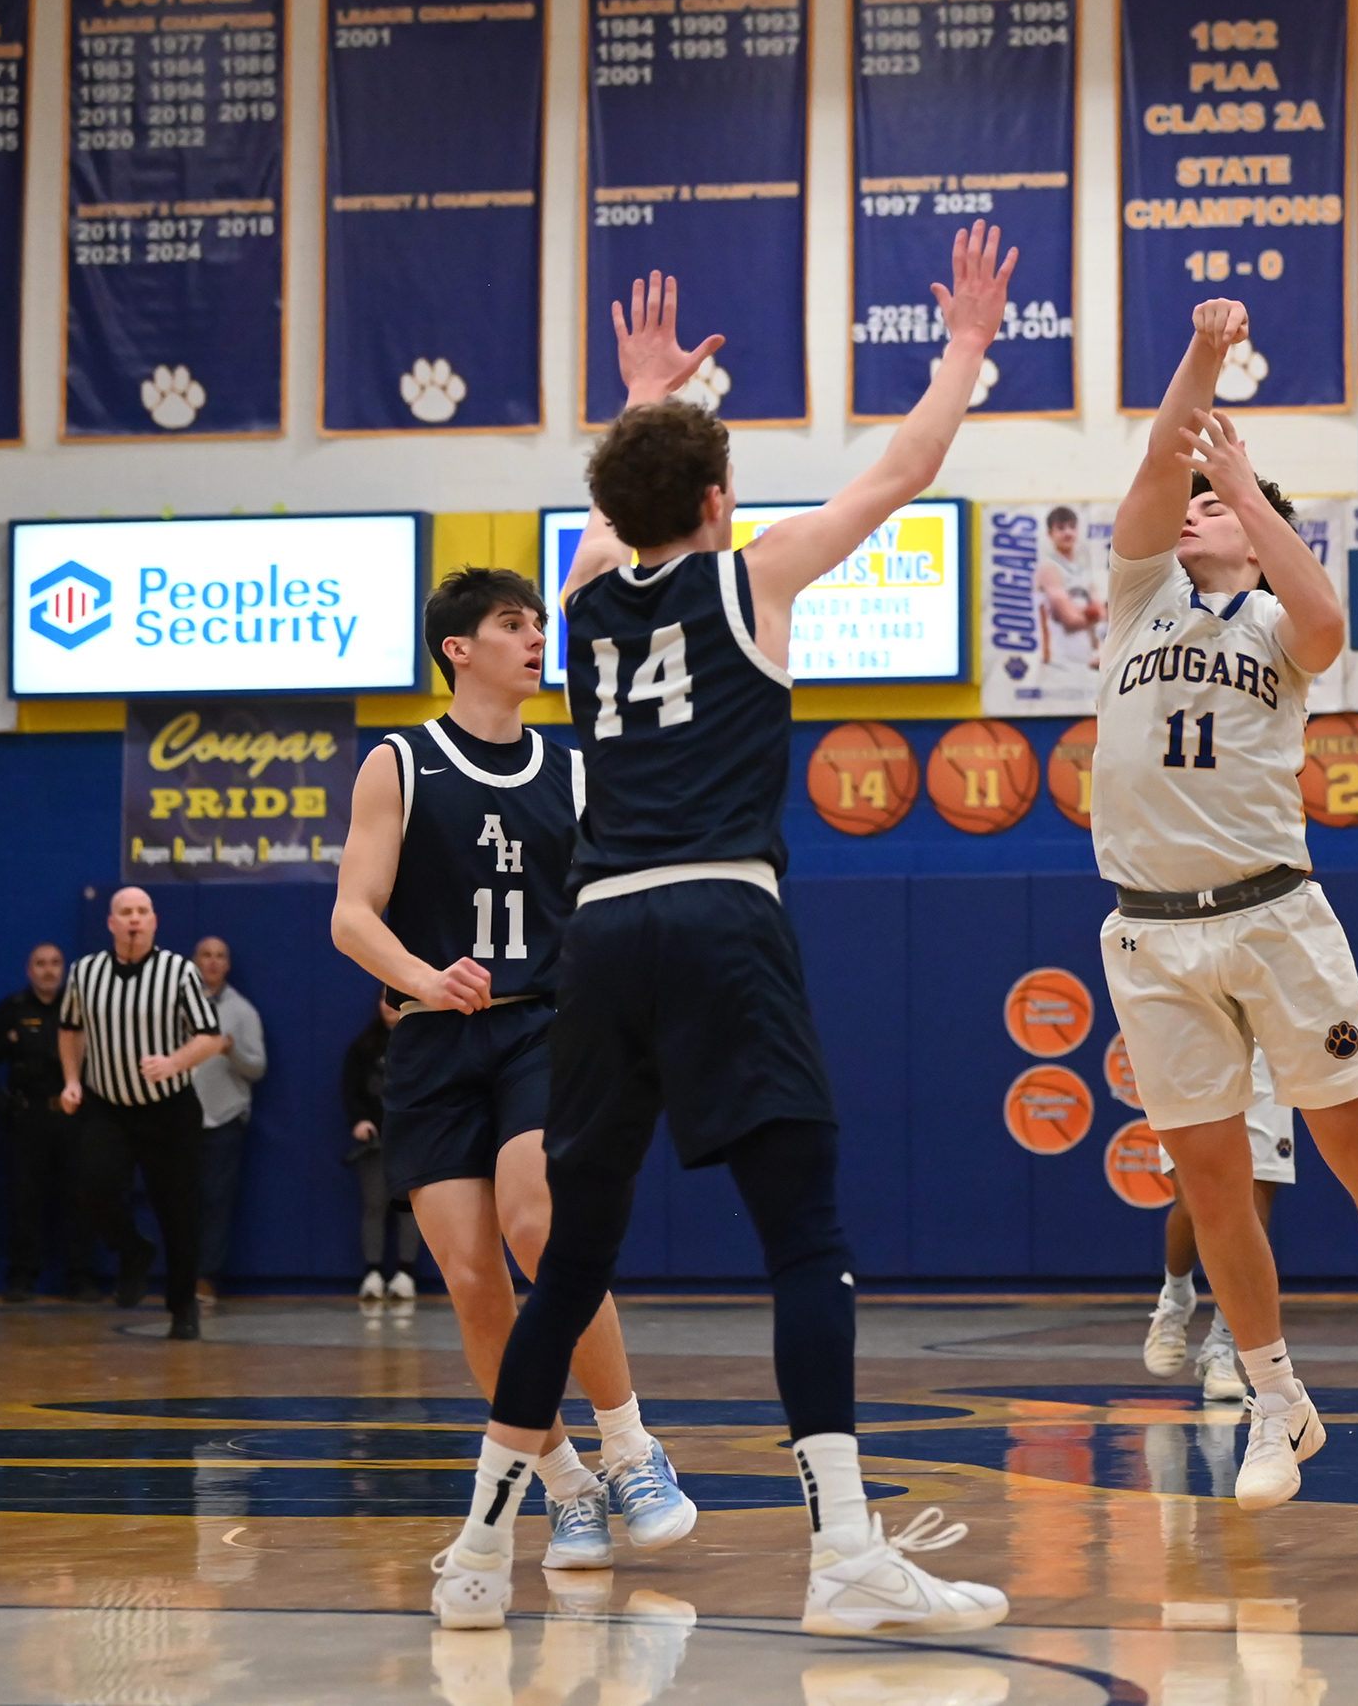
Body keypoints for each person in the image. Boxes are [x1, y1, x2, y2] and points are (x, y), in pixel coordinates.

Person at [432, 228, 1020, 1638]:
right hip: (717, 913)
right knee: (804, 1236)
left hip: (602, 938)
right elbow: (904, 467)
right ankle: (848, 1552)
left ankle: (471, 1557)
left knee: (569, 1257)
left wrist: (639, 398)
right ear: (713, 498)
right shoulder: (750, 580)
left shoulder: (574, 601)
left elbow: (606, 503)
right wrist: (965, 344)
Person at [1096, 295, 1358, 1514]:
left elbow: (1326, 624)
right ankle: (1275, 1392)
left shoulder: (1278, 615)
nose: (1202, 504)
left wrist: (1252, 491)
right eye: (1199, 497)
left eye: (1223, 498)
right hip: (1150, 927)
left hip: (1272, 911)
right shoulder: (1135, 596)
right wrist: (1206, 358)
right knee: (1211, 1182)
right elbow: (1162, 463)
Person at [332, 563, 679, 1585]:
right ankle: (568, 1485)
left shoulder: (572, 771)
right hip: (438, 1040)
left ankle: (631, 1446)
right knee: (473, 1277)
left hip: (546, 1028)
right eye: (513, 623)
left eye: (539, 621)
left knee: (538, 1223)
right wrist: (421, 978)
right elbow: (353, 914)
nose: (537, 638)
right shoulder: (397, 762)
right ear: (458, 647)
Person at [59, 887, 224, 1340]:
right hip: (107, 1106)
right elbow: (70, 1030)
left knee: (178, 1210)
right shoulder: (85, 972)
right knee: (94, 1188)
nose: (134, 919)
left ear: (154, 921)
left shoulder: (178, 972)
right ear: (111, 923)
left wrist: (173, 1062)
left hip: (168, 1110)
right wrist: (72, 1080)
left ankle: (182, 1305)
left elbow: (209, 1036)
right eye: (125, 912)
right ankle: (132, 1249)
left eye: (142, 911)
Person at [1141, 1047, 1293, 1404]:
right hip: (1186, 1045)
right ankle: (1176, 1300)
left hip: (1260, 1049)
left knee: (1252, 1209)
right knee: (1195, 1200)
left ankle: (1222, 1348)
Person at [0, 943, 98, 1303]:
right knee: (25, 1200)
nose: (48, 970)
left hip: (74, 1117)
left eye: (55, 963)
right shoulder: (12, 1010)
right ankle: (22, 1277)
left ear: (65, 969)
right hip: (28, 1119)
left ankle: (81, 1278)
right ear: (29, 970)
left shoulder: (81, 1009)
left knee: (80, 1200)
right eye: (41, 964)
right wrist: (7, 1044)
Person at [188, 935, 268, 1310]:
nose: (213, 962)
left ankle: (207, 1278)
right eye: (206, 955)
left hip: (224, 1120)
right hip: (180, 1122)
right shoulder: (177, 1006)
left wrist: (229, 1048)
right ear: (195, 960)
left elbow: (256, 1067)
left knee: (217, 1203)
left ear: (228, 965)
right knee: (181, 1202)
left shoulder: (242, 1011)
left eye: (221, 956)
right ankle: (179, 1275)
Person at [339, 1000, 422, 1300]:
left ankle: (406, 1273)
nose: (390, 1006)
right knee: (374, 1205)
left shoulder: (423, 1043)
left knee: (407, 1207)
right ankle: (372, 1272)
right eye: (385, 999)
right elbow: (350, 1090)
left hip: (410, 1139)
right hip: (373, 1141)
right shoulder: (363, 1046)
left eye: (396, 999)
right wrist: (359, 1121)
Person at [1036, 505, 1107, 670]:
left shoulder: (1083, 571)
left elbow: (1102, 614)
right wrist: (1091, 613)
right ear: (1050, 534)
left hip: (1086, 661)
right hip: (1058, 663)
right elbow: (1070, 620)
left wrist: (1090, 613)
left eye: (1072, 527)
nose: (1068, 533)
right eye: (1060, 528)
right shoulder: (1049, 568)